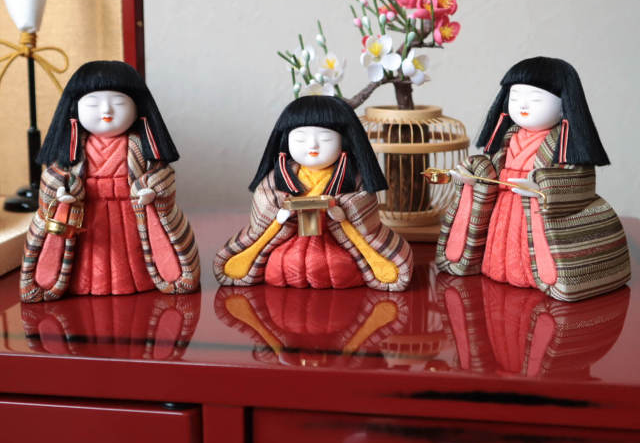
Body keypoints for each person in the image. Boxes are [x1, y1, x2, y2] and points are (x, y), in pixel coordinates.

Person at [436, 57, 629, 302]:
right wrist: (474, 175)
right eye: (516, 97)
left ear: (563, 105)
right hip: (502, 208)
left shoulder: (565, 144)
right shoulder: (508, 137)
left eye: (536, 99)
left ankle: (540, 277)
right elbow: (490, 171)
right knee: (501, 247)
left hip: (536, 210)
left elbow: (579, 180)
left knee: (530, 250)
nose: (523, 105)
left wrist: (542, 186)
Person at [20, 61, 200, 302]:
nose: (106, 111)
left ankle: (144, 279)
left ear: (137, 107)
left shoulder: (140, 146)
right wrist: (62, 190)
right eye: (93, 104)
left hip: (131, 214)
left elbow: (162, 174)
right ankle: (75, 282)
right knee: (89, 257)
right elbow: (54, 176)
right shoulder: (73, 148)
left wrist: (151, 190)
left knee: (133, 255)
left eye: (119, 103)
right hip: (87, 216)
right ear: (75, 108)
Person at [214, 95, 413, 290]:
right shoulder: (280, 175)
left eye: (325, 138)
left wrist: (342, 213)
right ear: (286, 140)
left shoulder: (352, 177)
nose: (312, 146)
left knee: (335, 265)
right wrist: (279, 213)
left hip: (336, 238)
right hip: (290, 236)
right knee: (284, 263)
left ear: (344, 141)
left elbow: (362, 201)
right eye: (300, 139)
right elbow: (264, 197)